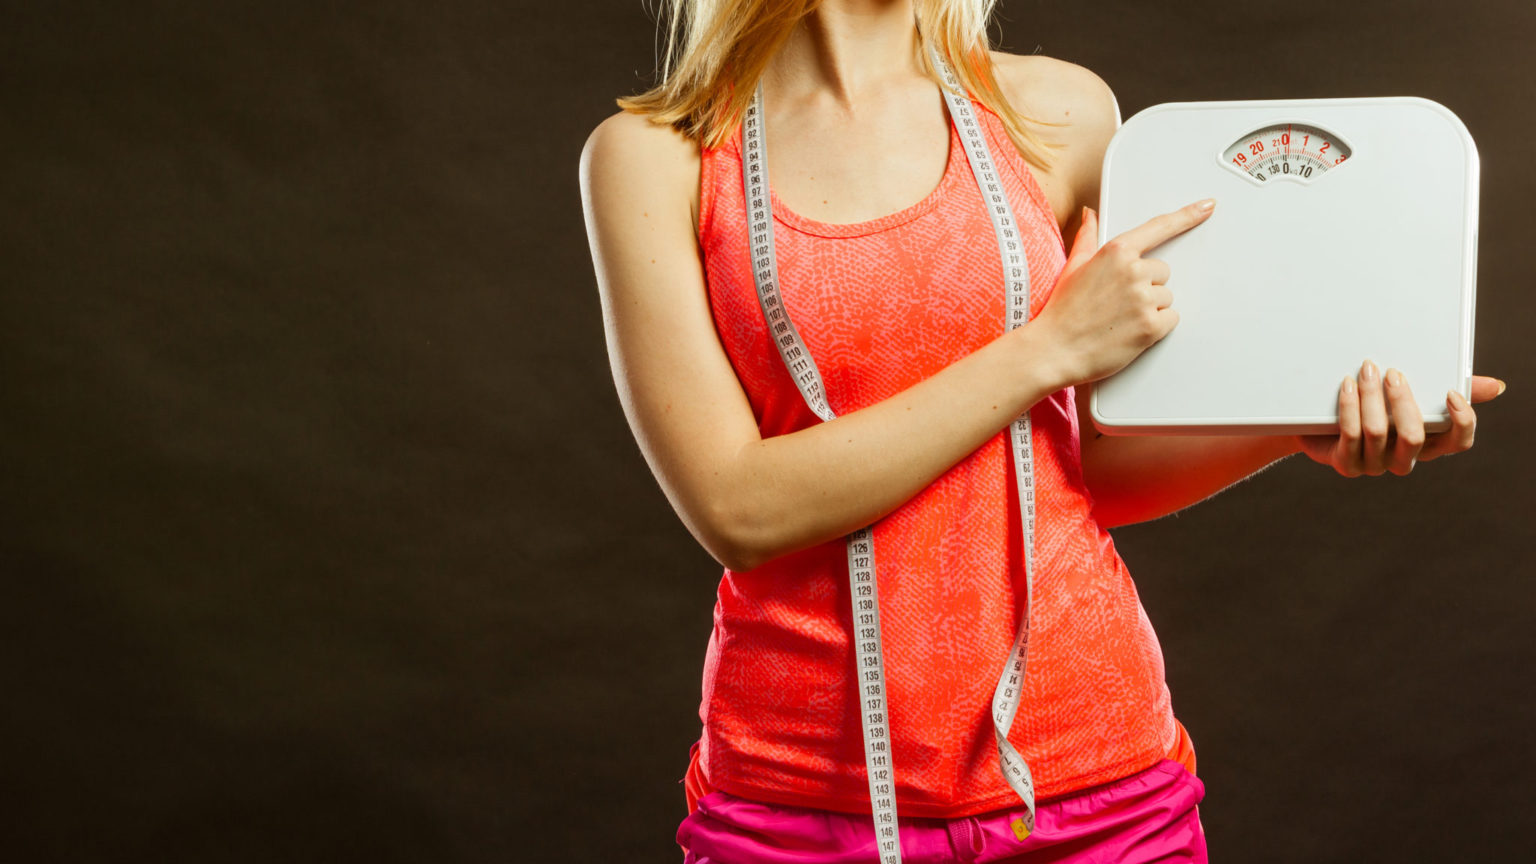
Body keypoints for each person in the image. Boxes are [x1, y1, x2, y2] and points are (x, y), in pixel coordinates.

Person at [578, 1, 1504, 861]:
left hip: (1095, 778)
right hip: (798, 792)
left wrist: (1298, 422)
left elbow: (1084, 467)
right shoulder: (655, 159)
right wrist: (1041, 353)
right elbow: (738, 508)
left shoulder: (1055, 113)